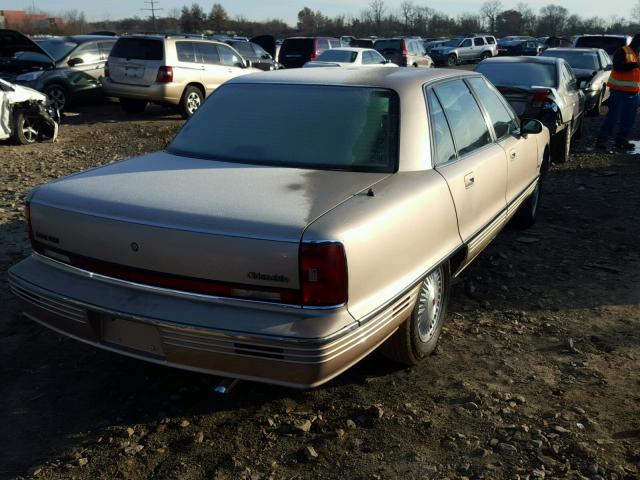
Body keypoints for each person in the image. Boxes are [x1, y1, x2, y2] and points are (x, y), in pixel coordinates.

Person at [596, 34, 640, 150]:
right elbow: (618, 66)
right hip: (619, 92)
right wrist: (635, 65)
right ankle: (602, 141)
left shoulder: (637, 55)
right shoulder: (623, 51)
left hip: (634, 93)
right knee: (612, 118)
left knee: (628, 120)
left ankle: (621, 141)